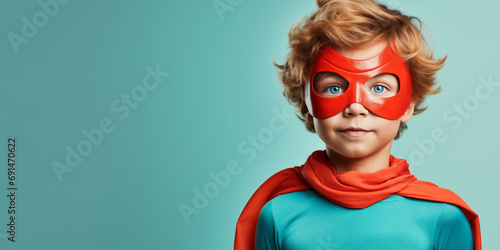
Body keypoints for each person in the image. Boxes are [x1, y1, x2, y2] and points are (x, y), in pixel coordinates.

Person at [233, 0, 481, 249]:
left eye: (379, 87)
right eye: (333, 88)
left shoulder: (443, 217)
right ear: (306, 103)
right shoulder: (278, 213)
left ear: (408, 105)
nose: (355, 107)